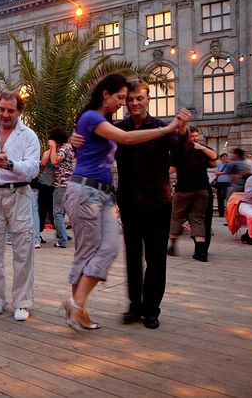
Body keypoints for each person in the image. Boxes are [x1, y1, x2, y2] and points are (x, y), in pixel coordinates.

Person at [63, 74, 189, 332]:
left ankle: (151, 310)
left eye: (137, 98)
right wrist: (73, 139)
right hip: (124, 200)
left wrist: (182, 131)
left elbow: (181, 155)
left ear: (148, 99)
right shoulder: (117, 127)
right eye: (127, 99)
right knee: (130, 256)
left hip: (156, 200)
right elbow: (94, 144)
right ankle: (132, 306)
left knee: (154, 258)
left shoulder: (160, 127)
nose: (131, 103)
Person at [0, 90, 40, 321]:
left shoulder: (29, 136)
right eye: (2, 109)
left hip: (20, 194)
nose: (5, 114)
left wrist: (10, 164)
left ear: (19, 111)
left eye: (10, 110)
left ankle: (22, 301)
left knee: (23, 249)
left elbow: (33, 168)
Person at [168, 127, 217, 262]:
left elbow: (171, 169)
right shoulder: (201, 150)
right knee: (198, 219)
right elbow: (214, 160)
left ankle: (173, 246)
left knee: (177, 217)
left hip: (184, 190)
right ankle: (201, 252)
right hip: (201, 189)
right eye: (192, 136)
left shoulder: (179, 150)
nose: (195, 138)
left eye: (196, 136)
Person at [48, 127, 74, 248]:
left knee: (57, 213)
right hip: (69, 184)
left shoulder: (63, 149)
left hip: (61, 185)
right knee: (62, 212)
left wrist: (53, 147)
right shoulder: (69, 147)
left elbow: (54, 161)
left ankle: (62, 240)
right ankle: (63, 234)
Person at [37, 144, 57, 245]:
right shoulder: (48, 152)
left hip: (55, 185)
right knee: (42, 209)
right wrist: (51, 148)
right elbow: (43, 163)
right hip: (45, 184)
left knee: (55, 210)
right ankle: (38, 234)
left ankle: (59, 231)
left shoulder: (63, 151)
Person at [213, 153, 231, 218]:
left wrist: (220, 173)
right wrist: (224, 173)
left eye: (226, 157)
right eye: (223, 157)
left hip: (227, 183)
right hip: (219, 183)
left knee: (227, 198)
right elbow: (216, 173)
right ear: (221, 158)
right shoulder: (218, 165)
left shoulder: (230, 165)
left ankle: (228, 213)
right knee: (220, 198)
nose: (224, 158)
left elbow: (230, 172)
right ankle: (221, 213)